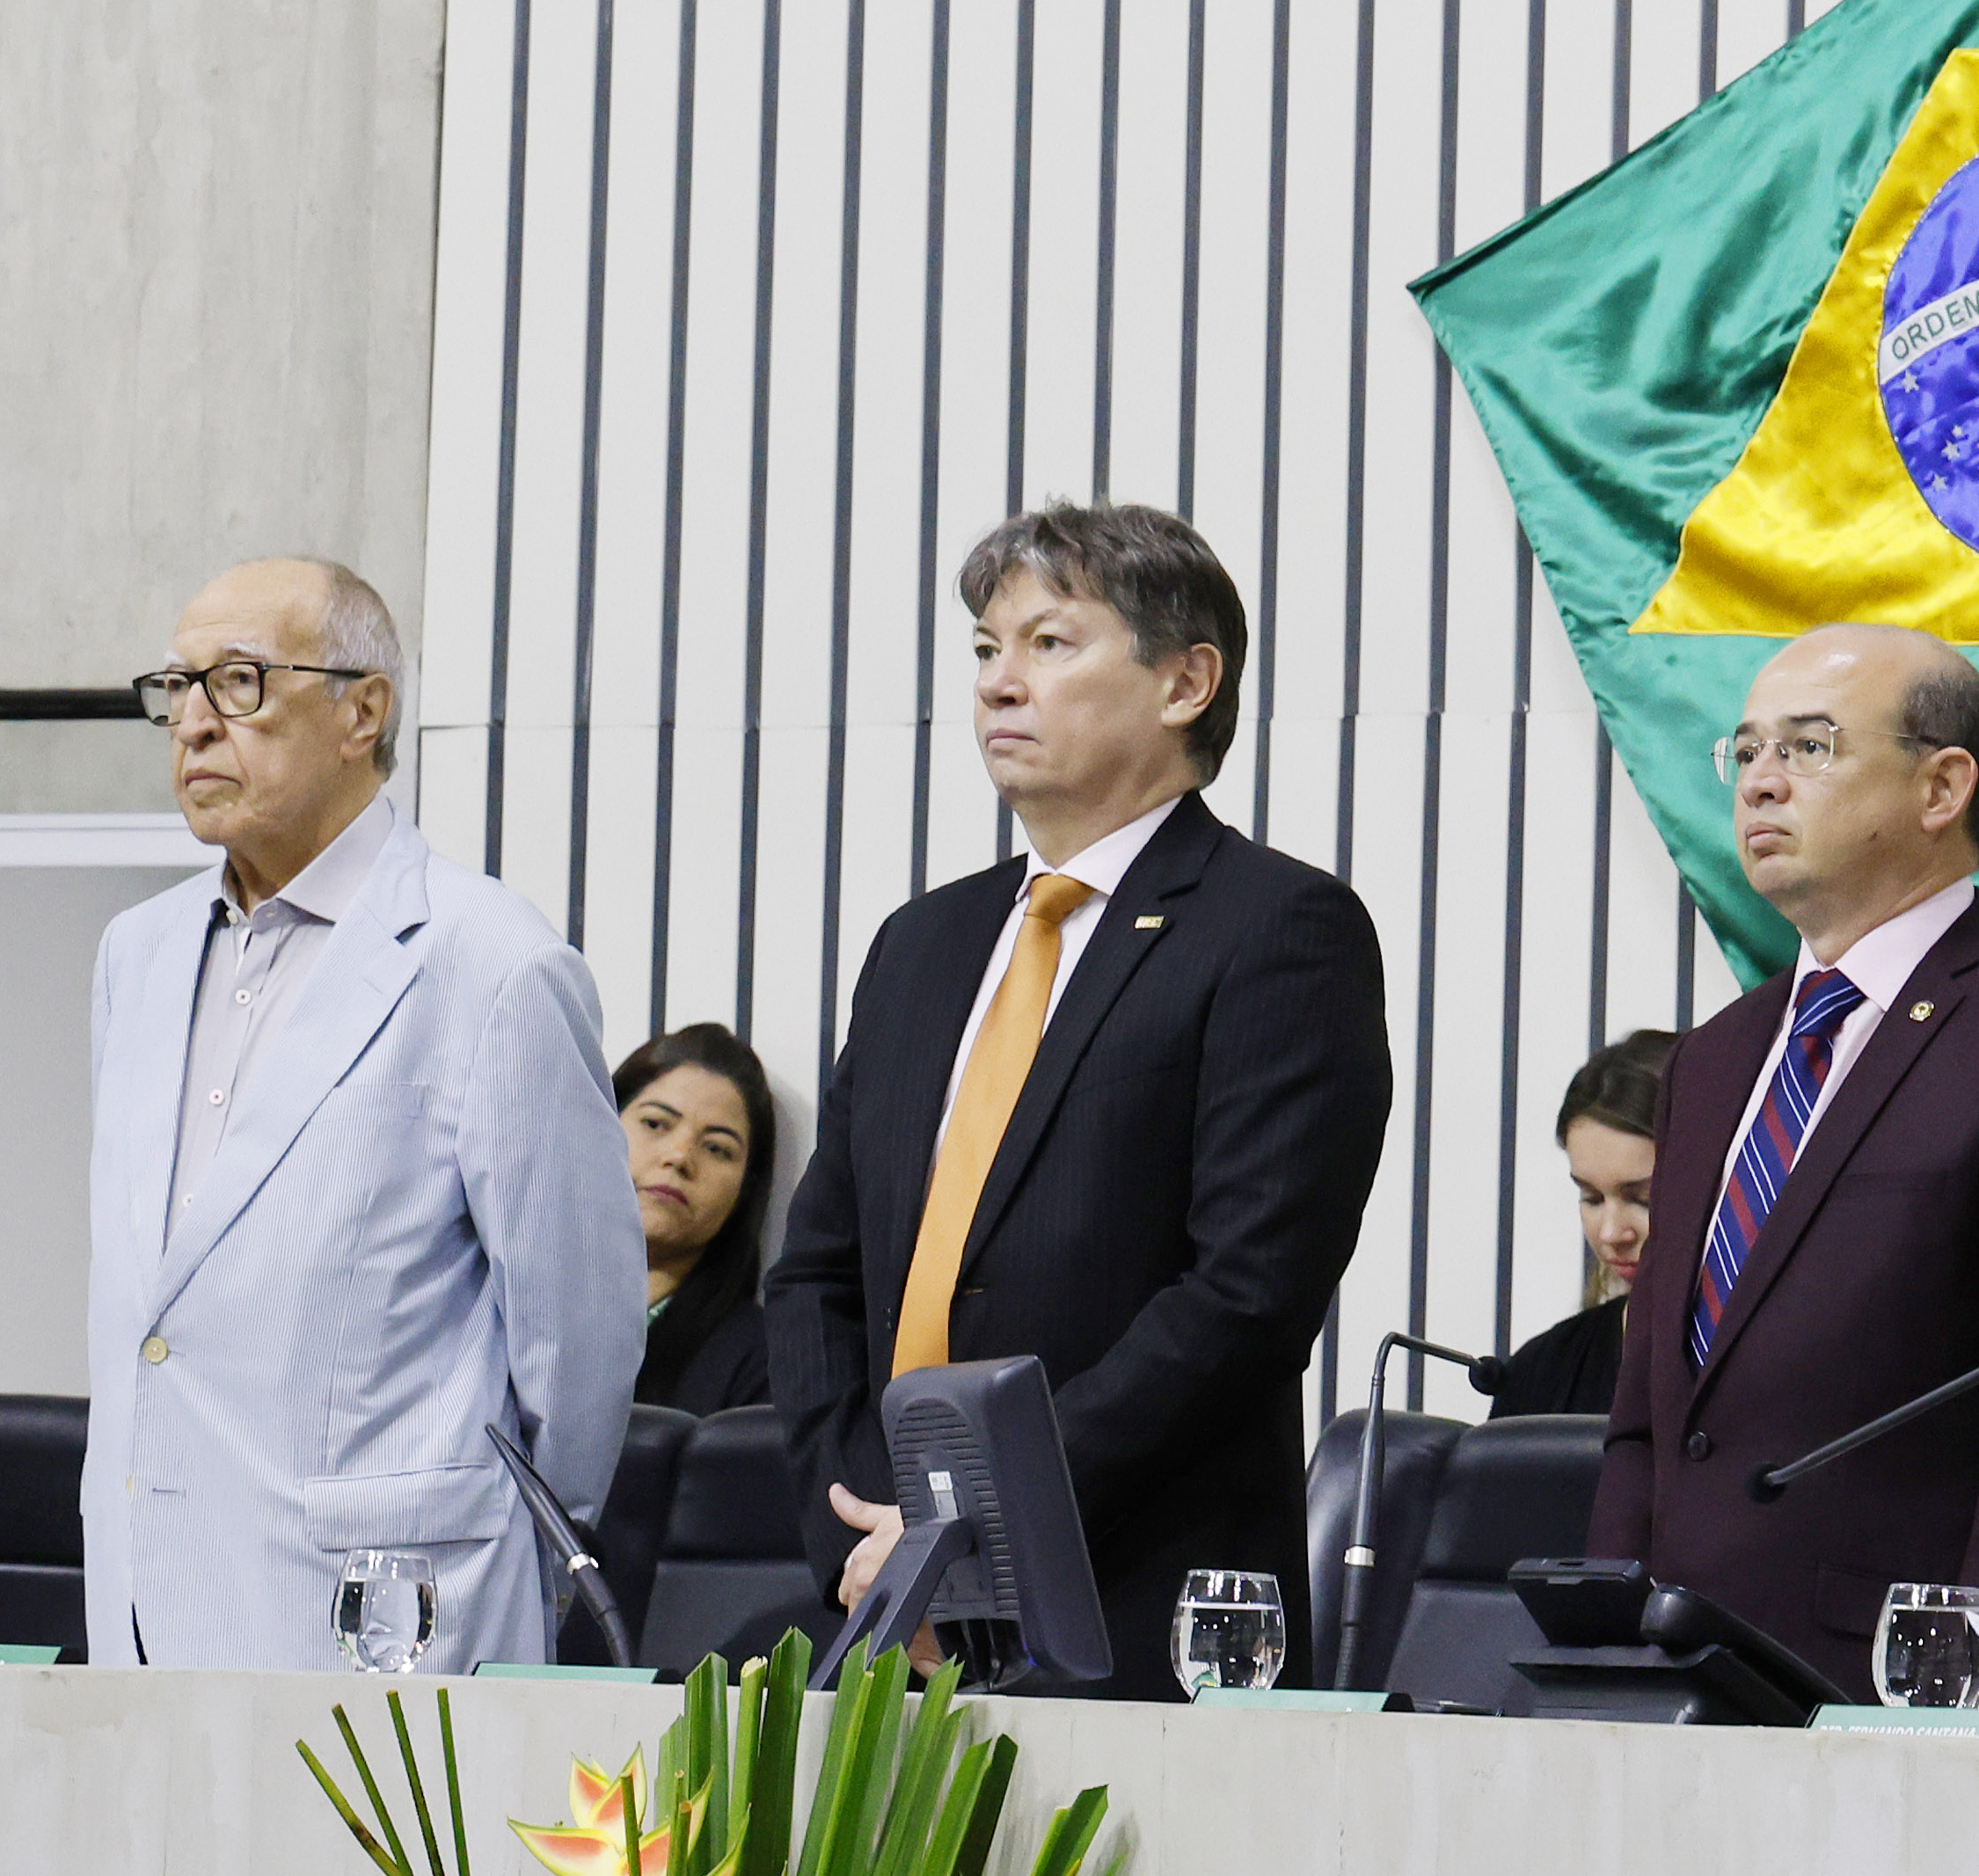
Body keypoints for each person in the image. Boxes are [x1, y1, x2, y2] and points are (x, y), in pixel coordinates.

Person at [767, 503, 1396, 1702]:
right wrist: (865, 1523)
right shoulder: (925, 943)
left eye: (1050, 645)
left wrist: (974, 1524)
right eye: (985, 650)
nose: (1002, 684)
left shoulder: (1275, 930)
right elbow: (816, 1275)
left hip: (1138, 1611)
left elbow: (1247, 1294)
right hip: (884, 1604)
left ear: (1185, 682)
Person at [1587, 627, 1979, 1738]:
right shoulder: (1716, 1058)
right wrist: (1601, 1657)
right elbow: (1650, 1417)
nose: (1761, 778)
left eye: (1809, 747)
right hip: (1669, 1698)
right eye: (1748, 750)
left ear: (1941, 784)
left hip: (1896, 1711)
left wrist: (1974, 1718)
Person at [82, 558, 635, 1673]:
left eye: (236, 682)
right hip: (143, 1585)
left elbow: (578, 1342)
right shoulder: (133, 953)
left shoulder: (492, 962)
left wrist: (515, 1563)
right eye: (175, 688)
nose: (191, 723)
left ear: (362, 710)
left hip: (388, 1609)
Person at [1486, 1031, 1670, 1419]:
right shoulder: (1539, 1375)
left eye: (1643, 1199)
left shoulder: (1789, 1364)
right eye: (1591, 1198)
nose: (1610, 1233)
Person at [619, 1022, 783, 1415]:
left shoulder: (761, 1364)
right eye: (656, 1124)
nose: (679, 1156)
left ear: (745, 1188)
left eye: (716, 1148)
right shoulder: (500, 1307)